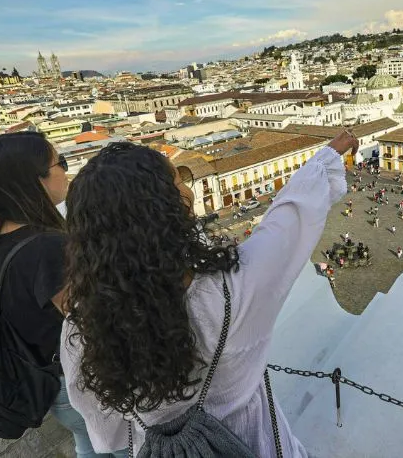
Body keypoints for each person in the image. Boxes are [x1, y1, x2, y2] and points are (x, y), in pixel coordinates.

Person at [60, 132, 358, 457]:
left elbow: (109, 433)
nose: (187, 190)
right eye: (177, 183)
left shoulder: (82, 329)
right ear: (165, 210)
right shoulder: (230, 292)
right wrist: (326, 159)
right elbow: (288, 223)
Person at [0, 133, 125, 458]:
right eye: (59, 162)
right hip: (77, 381)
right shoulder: (48, 248)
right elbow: (90, 322)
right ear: (31, 181)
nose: (66, 170)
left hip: (41, 374)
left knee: (88, 444)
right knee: (123, 448)